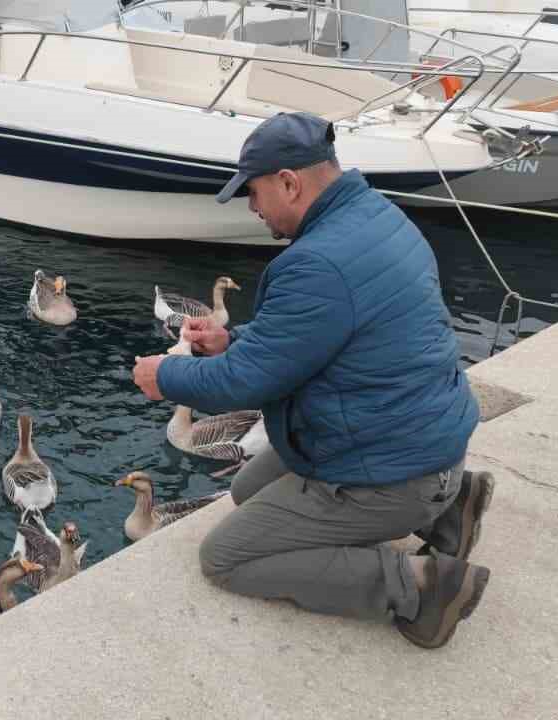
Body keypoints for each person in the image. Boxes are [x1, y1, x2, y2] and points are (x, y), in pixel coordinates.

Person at [131, 112, 494, 649]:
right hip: (421, 441)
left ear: (288, 182)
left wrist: (168, 374)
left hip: (397, 468)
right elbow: (315, 333)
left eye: (253, 193)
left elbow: (244, 384)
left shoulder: (316, 263)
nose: (253, 208)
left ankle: (423, 587)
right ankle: (452, 506)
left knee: (227, 556)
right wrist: (234, 340)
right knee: (243, 487)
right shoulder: (378, 217)